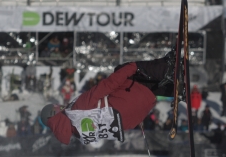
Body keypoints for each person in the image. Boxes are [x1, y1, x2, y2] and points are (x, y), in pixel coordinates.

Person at [42, 51, 178, 144]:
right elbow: (105, 86)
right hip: (127, 103)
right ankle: (168, 67)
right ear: (54, 114)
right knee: (124, 70)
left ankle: (173, 87)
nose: (60, 106)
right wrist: (133, 67)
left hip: (135, 117)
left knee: (133, 87)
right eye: (57, 107)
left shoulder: (81, 134)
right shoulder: (76, 111)